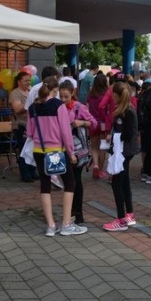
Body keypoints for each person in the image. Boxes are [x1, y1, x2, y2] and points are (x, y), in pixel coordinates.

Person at [26, 77, 85, 236]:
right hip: (57, 151)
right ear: (55, 90)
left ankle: (51, 225)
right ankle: (66, 223)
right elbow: (65, 132)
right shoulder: (59, 106)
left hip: (39, 151)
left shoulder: (32, 108)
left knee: (45, 186)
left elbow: (30, 132)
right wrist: (71, 153)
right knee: (70, 183)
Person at [102, 81, 141, 232]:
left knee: (116, 183)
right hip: (125, 151)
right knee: (124, 182)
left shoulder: (127, 112)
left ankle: (121, 219)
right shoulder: (124, 109)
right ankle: (129, 214)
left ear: (117, 95)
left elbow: (128, 133)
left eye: (113, 95)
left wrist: (114, 138)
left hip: (124, 152)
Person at [59, 80, 96, 226]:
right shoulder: (58, 107)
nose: (63, 99)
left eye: (66, 96)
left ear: (72, 93)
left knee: (76, 180)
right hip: (63, 149)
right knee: (68, 181)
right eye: (61, 96)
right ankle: (70, 212)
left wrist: (81, 122)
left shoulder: (79, 107)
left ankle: (77, 213)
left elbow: (93, 123)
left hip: (77, 150)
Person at [9, 71, 35, 182]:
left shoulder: (31, 91)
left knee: (33, 149)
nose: (28, 83)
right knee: (24, 149)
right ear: (19, 82)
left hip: (32, 125)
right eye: (25, 81)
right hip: (21, 125)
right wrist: (30, 101)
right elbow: (17, 109)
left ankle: (33, 171)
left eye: (29, 80)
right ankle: (25, 173)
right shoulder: (15, 93)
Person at [86, 73, 110, 179]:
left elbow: (86, 110)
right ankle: (100, 170)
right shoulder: (107, 95)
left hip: (93, 123)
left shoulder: (90, 95)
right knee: (103, 147)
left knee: (94, 147)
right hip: (104, 123)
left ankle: (95, 165)